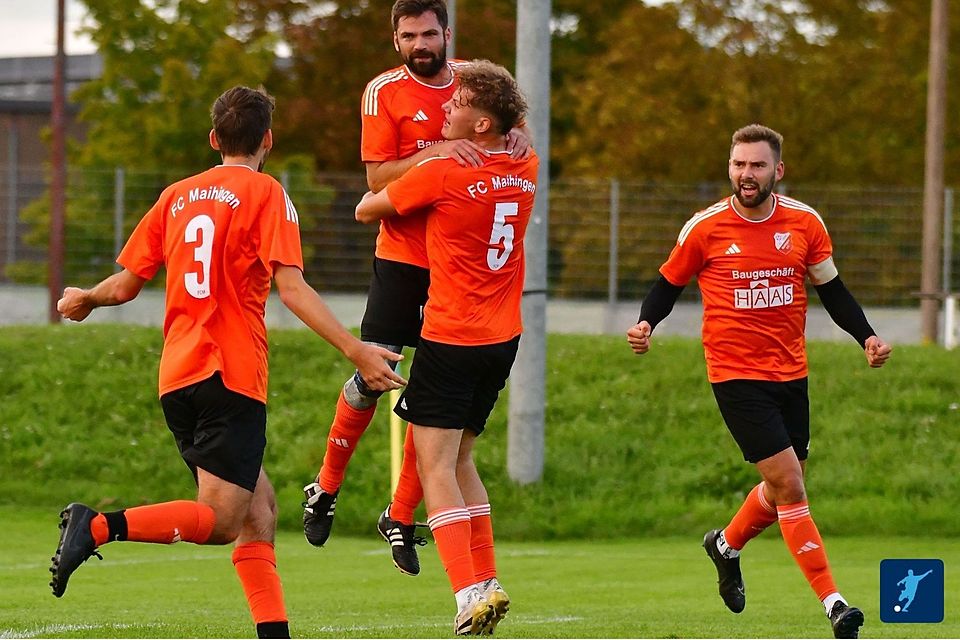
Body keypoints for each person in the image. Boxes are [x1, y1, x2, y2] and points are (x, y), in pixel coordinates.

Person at [50, 85, 405, 639]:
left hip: (178, 378)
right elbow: (292, 288)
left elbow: (123, 287)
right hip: (229, 375)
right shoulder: (266, 193)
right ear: (268, 139)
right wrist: (356, 349)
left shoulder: (176, 196)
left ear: (214, 139)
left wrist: (84, 298)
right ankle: (96, 526)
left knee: (259, 511)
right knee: (218, 523)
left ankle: (273, 634)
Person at [626, 124, 892, 640]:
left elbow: (833, 291)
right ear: (730, 166)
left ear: (778, 171)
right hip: (734, 375)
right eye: (739, 164)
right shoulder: (704, 228)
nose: (746, 175)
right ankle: (835, 604)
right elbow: (668, 284)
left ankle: (725, 545)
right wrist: (645, 324)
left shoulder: (804, 223)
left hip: (791, 374)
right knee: (791, 485)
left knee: (780, 486)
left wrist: (868, 337)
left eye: (757, 165)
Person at [301, 0, 530, 578]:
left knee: (436, 401)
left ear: (447, 33)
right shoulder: (383, 92)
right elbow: (375, 179)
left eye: (429, 33)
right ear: (396, 39)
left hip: (459, 269)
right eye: (409, 36)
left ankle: (401, 514)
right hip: (404, 257)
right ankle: (326, 487)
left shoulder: (475, 85)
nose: (420, 44)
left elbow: (508, 121)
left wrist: (520, 133)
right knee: (373, 373)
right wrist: (440, 152)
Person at [355, 60, 537, 635]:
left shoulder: (445, 174)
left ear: (482, 126)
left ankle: (466, 594)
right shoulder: (526, 162)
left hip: (451, 335)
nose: (446, 111)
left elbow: (366, 207)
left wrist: (430, 157)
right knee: (462, 459)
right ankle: (488, 580)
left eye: (458, 105)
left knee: (433, 465)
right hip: (502, 340)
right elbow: (514, 132)